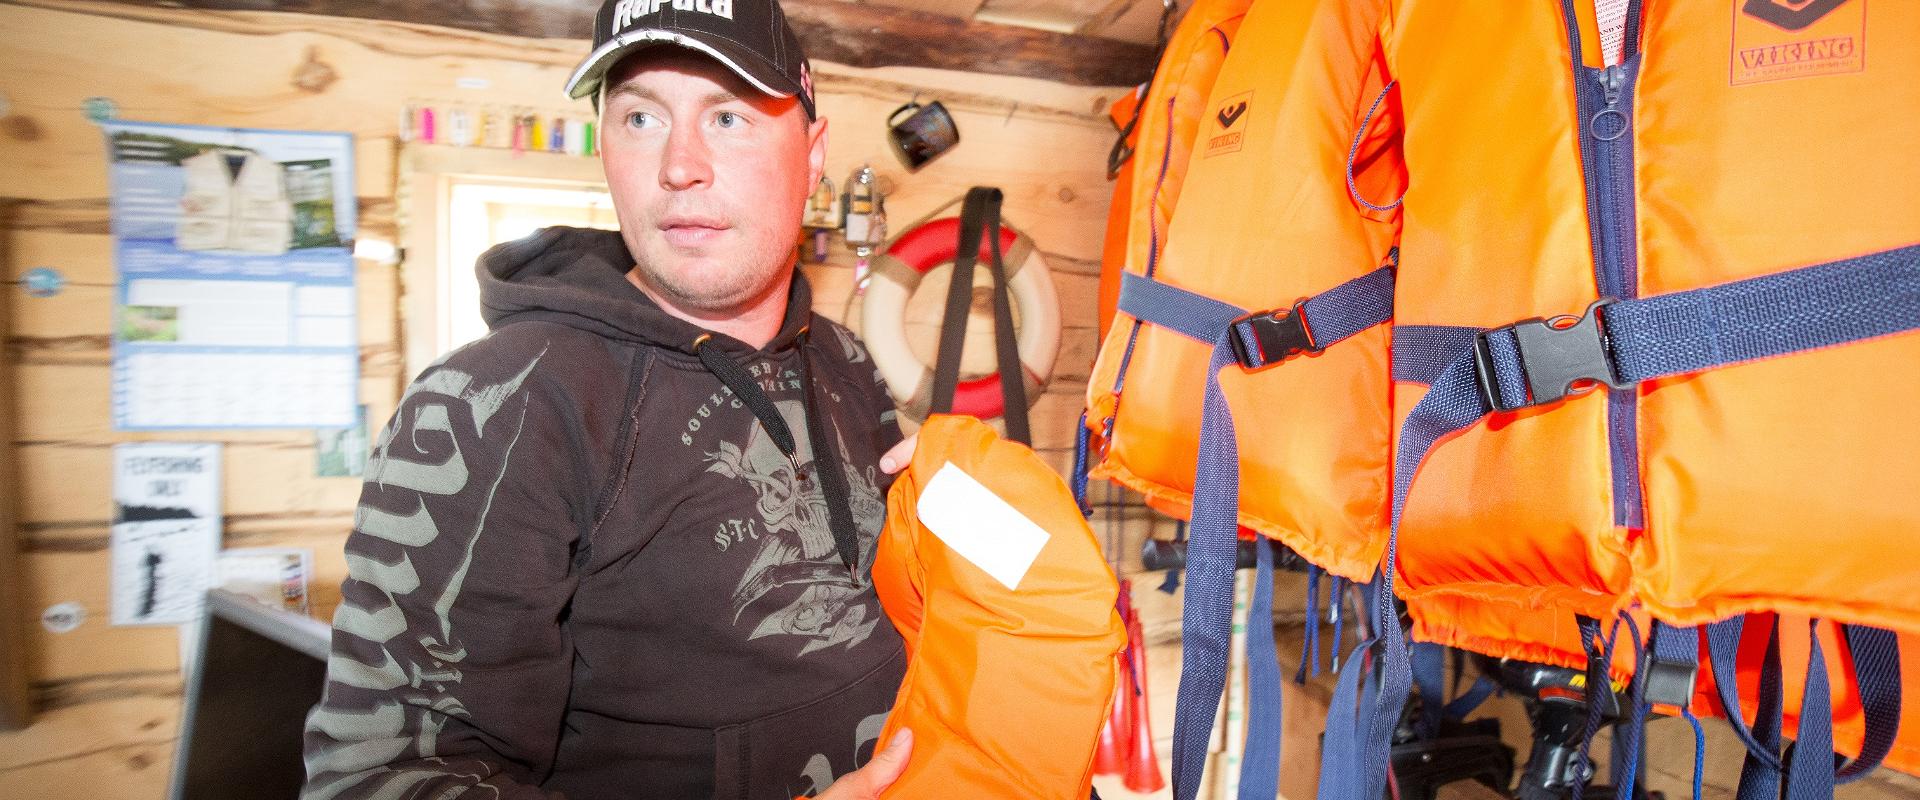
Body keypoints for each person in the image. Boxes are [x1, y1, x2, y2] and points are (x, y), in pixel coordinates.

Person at [300, 0, 920, 796]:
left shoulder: (843, 358)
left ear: (813, 151)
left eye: (727, 118)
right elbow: (380, 781)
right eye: (638, 117)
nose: (679, 165)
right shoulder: (495, 404)